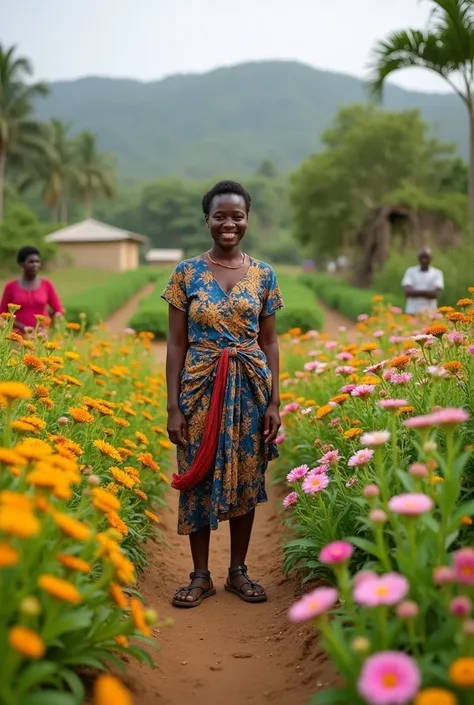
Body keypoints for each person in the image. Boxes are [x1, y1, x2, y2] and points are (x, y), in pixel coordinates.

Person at [162, 180, 284, 608]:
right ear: (207, 221)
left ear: (247, 219)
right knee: (196, 474)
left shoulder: (264, 275)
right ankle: (200, 575)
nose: (229, 223)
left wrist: (274, 400)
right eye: (220, 216)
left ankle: (237, 571)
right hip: (198, 385)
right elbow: (176, 343)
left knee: (247, 476)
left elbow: (269, 342)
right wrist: (173, 406)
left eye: (237, 216)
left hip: (250, 386)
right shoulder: (186, 274)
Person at [0, 246, 64, 334]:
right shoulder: (10, 286)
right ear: (21, 264)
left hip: (41, 336)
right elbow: (2, 313)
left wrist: (55, 319)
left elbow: (58, 309)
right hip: (17, 336)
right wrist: (20, 327)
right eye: (31, 262)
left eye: (37, 262)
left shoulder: (47, 284)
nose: (35, 265)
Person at [401, 248, 444, 316]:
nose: (424, 260)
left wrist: (414, 292)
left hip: (430, 313)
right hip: (412, 312)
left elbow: (435, 294)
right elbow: (407, 292)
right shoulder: (410, 271)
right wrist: (427, 293)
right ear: (418, 258)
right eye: (422, 257)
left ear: (431, 259)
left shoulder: (437, 273)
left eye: (426, 257)